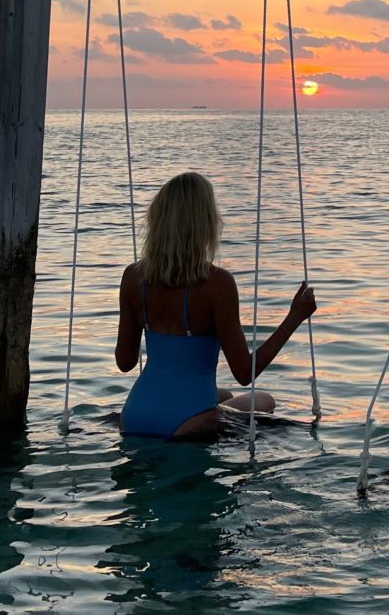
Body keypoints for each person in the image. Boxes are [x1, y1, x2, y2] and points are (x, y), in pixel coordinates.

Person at [115, 171, 316, 440]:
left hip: (136, 414)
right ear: (205, 223)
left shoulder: (133, 277)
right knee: (263, 400)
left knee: (224, 395)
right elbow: (245, 372)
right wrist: (295, 317)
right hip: (186, 421)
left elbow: (125, 362)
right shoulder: (216, 283)